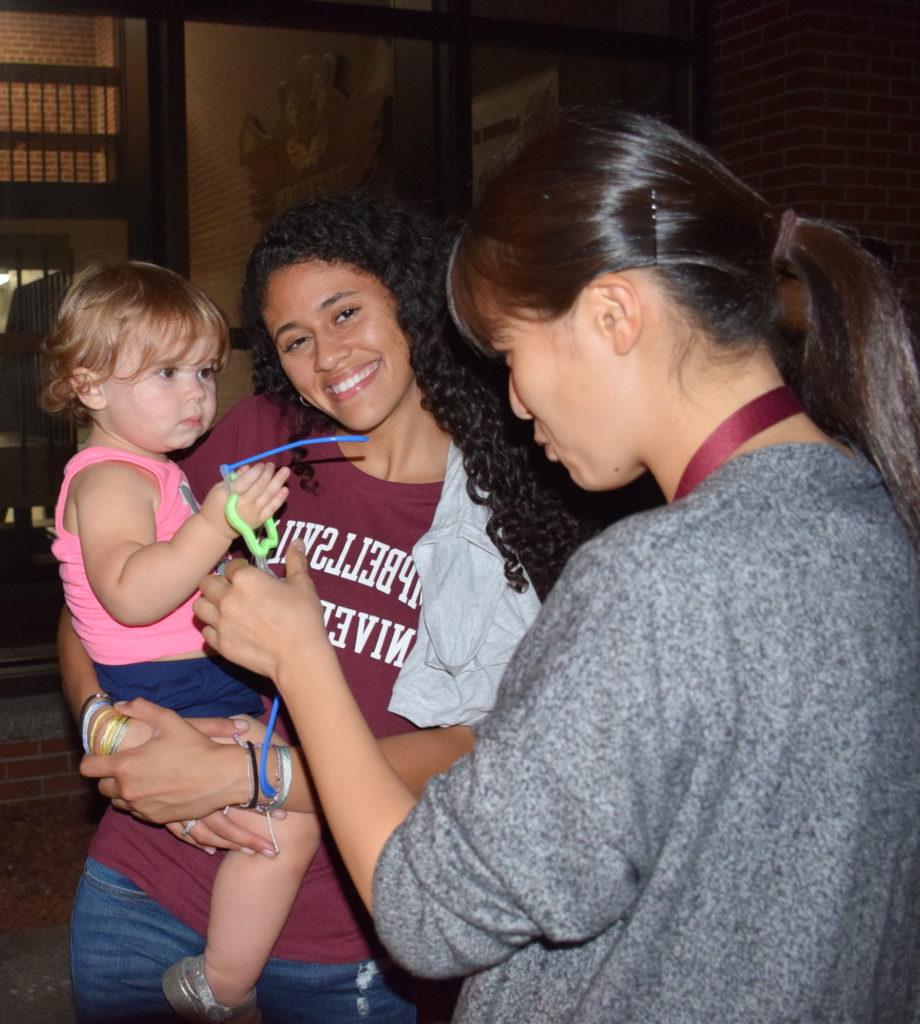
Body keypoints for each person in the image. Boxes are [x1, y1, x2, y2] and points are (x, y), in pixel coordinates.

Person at [190, 110, 920, 1022]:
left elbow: (428, 909)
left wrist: (302, 657)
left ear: (614, 314)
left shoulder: (654, 582)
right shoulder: (874, 515)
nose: (513, 398)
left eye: (509, 354)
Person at [68, 196, 600, 1023]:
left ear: (411, 299)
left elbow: (481, 750)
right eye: (295, 340)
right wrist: (115, 740)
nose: (327, 356)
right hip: (146, 887)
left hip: (344, 944)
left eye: (345, 311)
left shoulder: (515, 505)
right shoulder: (252, 437)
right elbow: (90, 611)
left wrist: (250, 776)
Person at [41, 260, 319, 1024]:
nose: (196, 393)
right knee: (286, 822)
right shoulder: (108, 478)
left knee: (263, 806)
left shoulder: (149, 468)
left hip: (188, 677)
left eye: (203, 370)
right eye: (165, 372)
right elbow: (130, 595)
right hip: (171, 683)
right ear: (90, 385)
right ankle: (221, 985)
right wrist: (215, 526)